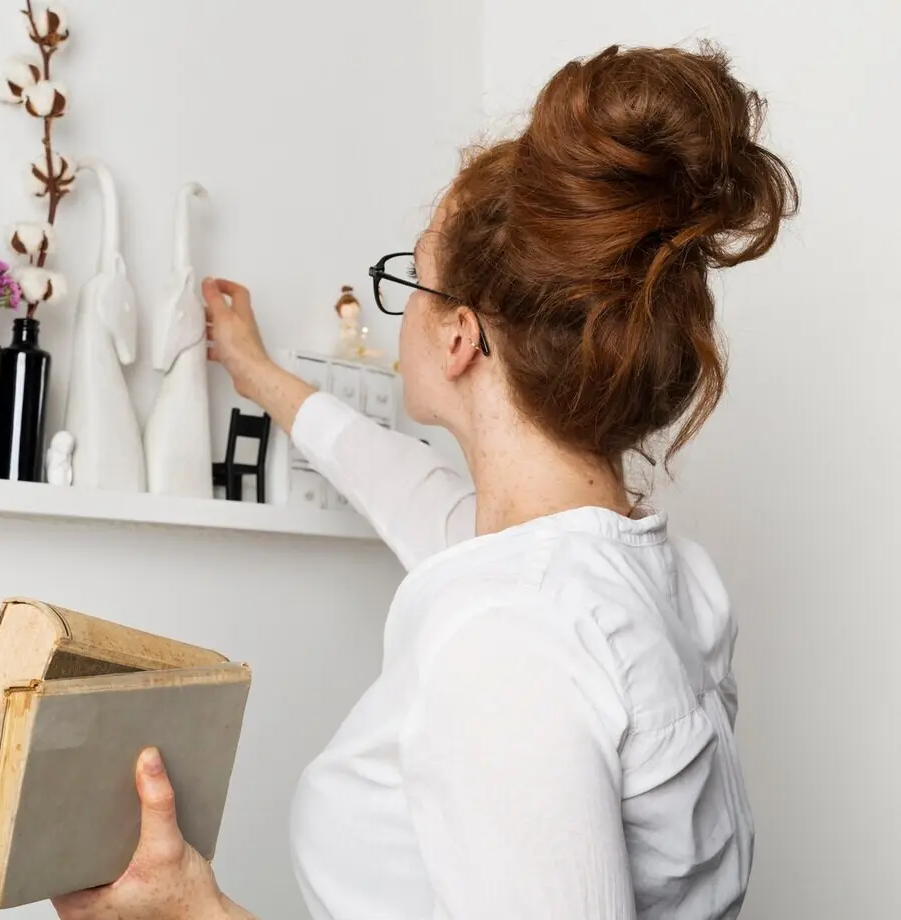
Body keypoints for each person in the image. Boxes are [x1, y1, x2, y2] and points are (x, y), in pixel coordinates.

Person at [54, 43, 797, 920]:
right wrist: (258, 375)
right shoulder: (647, 580)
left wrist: (189, 911)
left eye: (410, 279)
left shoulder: (510, 639)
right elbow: (402, 481)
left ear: (459, 340)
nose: (397, 307)